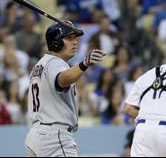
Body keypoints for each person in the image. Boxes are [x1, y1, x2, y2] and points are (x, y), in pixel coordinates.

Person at [24, 21, 105, 157]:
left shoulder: (40, 64)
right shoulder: (55, 62)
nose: (75, 42)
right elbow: (61, 80)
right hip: (54, 136)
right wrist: (85, 63)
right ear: (56, 42)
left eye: (75, 38)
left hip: (36, 135)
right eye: (69, 38)